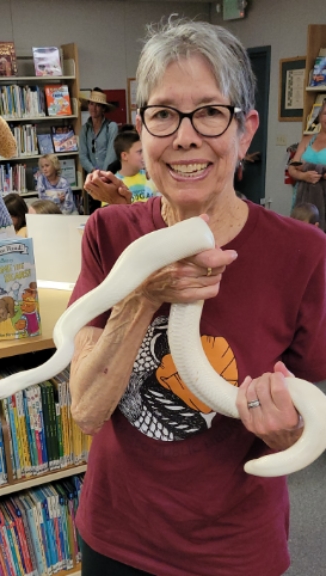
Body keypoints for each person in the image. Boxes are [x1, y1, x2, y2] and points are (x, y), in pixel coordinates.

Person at [68, 18, 326, 576]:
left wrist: (287, 431)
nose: (185, 136)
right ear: (142, 131)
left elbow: (307, 407)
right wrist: (142, 295)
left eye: (210, 111)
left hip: (233, 551)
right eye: (163, 114)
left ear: (246, 130)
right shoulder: (109, 234)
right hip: (116, 539)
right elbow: (87, 411)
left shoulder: (304, 253)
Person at [288, 99, 326, 231]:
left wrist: (305, 166)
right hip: (302, 199)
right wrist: (304, 176)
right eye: (325, 113)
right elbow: (292, 167)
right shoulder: (308, 139)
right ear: (320, 115)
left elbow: (299, 164)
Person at [79, 88, 118, 212]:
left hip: (108, 177)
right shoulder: (85, 129)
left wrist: (102, 176)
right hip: (91, 179)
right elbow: (83, 156)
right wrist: (94, 172)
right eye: (91, 104)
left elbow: (112, 154)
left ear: (103, 109)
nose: (94, 108)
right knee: (94, 212)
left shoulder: (111, 127)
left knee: (108, 211)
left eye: (98, 105)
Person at [111, 131, 156, 203]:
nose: (144, 155)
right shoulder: (113, 185)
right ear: (124, 156)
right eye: (140, 152)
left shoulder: (151, 177)